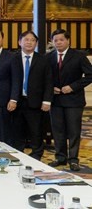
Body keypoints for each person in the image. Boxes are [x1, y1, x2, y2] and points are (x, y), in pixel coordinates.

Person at [47, 29, 92, 171]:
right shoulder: (48, 57)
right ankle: (60, 157)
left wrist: (73, 87)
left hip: (74, 100)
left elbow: (90, 75)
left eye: (61, 39)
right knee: (58, 131)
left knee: (73, 131)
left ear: (68, 41)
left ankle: (73, 159)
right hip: (55, 100)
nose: (58, 42)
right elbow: (44, 77)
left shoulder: (79, 56)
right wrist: (51, 87)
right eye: (55, 40)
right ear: (52, 42)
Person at [10, 30, 52, 160]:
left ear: (36, 43)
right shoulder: (13, 59)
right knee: (17, 130)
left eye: (32, 40)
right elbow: (9, 81)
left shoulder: (43, 60)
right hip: (17, 101)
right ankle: (18, 154)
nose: (29, 42)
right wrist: (11, 99)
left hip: (36, 101)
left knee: (36, 130)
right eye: (26, 40)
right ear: (19, 42)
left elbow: (49, 81)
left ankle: (36, 154)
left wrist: (47, 101)